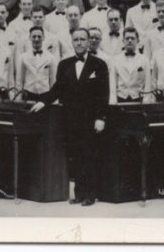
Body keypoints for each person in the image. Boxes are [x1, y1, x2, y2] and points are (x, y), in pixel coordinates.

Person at [31, 28, 110, 206]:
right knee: (75, 156)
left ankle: (90, 194)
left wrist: (101, 117)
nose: (80, 43)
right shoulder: (64, 64)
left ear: (89, 41)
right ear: (72, 42)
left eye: (83, 39)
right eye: (76, 40)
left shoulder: (99, 64)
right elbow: (57, 89)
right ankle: (80, 193)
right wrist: (44, 102)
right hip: (70, 118)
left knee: (89, 155)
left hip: (90, 119)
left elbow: (104, 94)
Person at [109, 27, 151, 104]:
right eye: (127, 38)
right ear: (123, 41)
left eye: (132, 38)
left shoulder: (144, 59)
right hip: (121, 98)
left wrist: (146, 100)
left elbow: (147, 83)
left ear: (137, 41)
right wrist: (113, 101)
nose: (130, 41)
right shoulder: (115, 59)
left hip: (138, 98)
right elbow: (112, 82)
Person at [16, 26, 58, 102]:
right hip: (28, 94)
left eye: (39, 36)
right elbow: (19, 80)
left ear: (43, 38)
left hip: (45, 94)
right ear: (29, 38)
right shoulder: (23, 57)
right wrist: (19, 98)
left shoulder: (51, 58)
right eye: (34, 36)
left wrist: (53, 99)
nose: (36, 39)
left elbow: (53, 80)